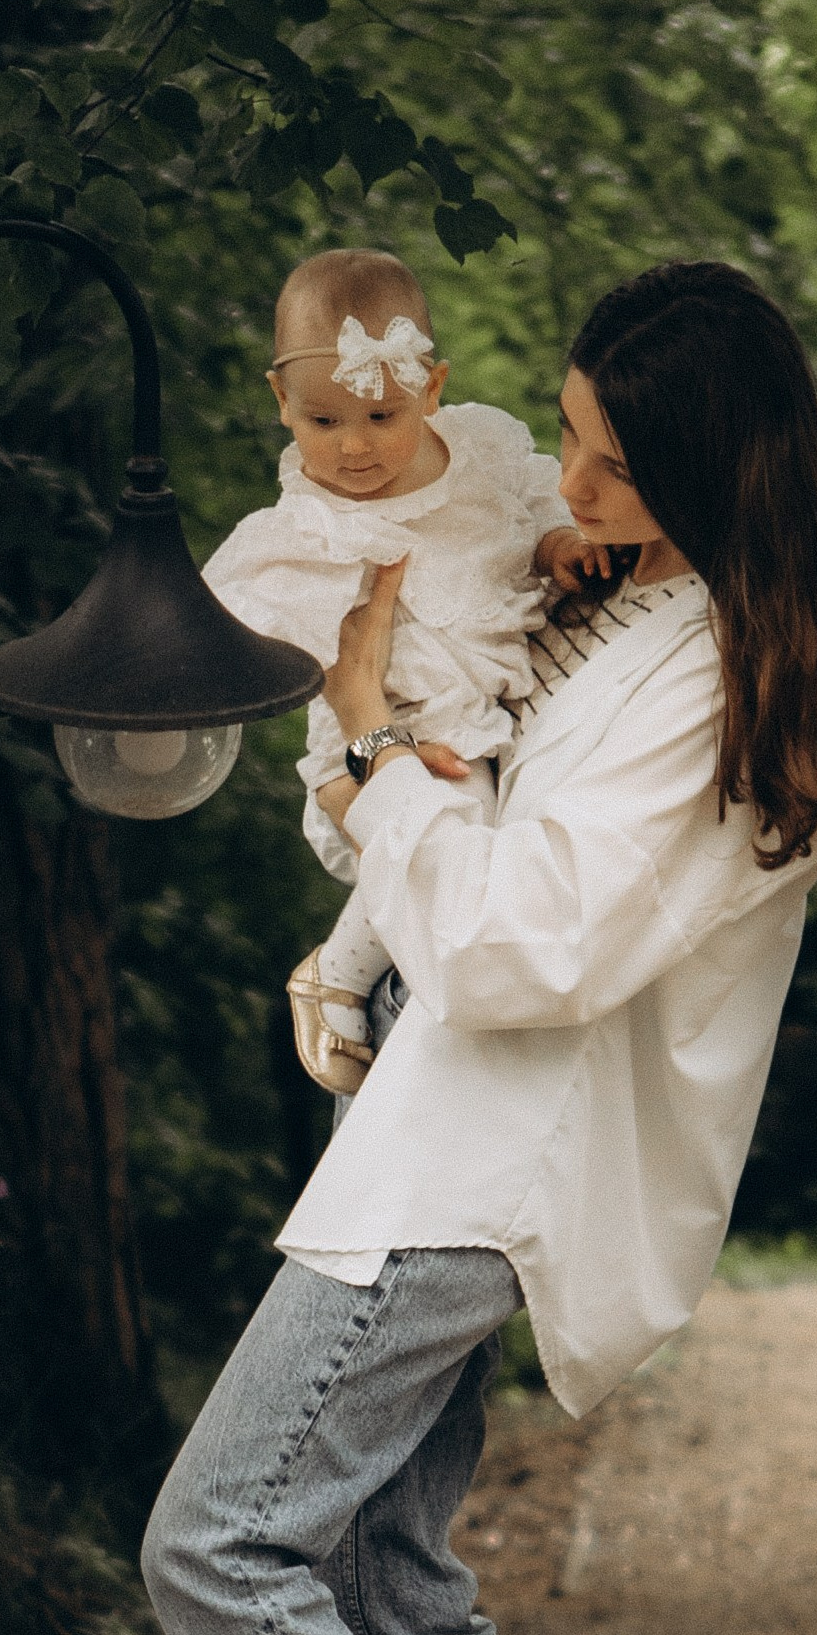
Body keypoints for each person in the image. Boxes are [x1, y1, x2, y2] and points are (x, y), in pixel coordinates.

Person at [142, 261, 817, 1635]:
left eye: (606, 463)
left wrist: (368, 746)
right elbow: (451, 817)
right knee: (392, 1567)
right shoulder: (635, 608)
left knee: (218, 1544)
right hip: (451, 1126)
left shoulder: (713, 668)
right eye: (561, 435)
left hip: (481, 1161)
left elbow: (509, 940)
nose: (561, 484)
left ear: (714, 478)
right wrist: (351, 897)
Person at [202, 247, 609, 1095]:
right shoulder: (306, 527)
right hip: (383, 738)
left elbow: (537, 502)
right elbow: (222, 626)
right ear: (281, 402)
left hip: (485, 717)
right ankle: (337, 976)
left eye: (383, 417)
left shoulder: (482, 453)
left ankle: (412, 1012)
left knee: (489, 839)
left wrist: (559, 546)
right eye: (324, 423)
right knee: (456, 821)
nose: (353, 448)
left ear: (432, 388)